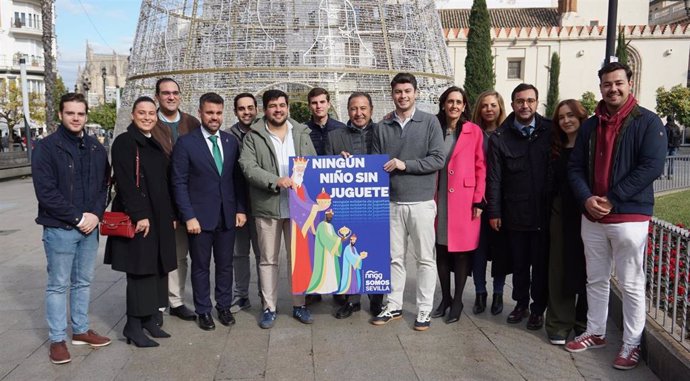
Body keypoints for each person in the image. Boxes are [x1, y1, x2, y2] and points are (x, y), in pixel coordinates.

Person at [566, 62, 666, 370]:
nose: (613, 89)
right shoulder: (590, 126)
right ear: (601, 88)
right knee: (595, 279)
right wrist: (586, 198)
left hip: (629, 217)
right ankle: (595, 331)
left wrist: (611, 199)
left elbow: (651, 167)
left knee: (631, 283)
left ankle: (631, 343)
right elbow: (575, 167)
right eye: (607, 84)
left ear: (629, 83)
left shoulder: (648, 123)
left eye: (618, 83)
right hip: (593, 217)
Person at [32, 93, 111, 364]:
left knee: (83, 282)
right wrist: (79, 218)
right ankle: (57, 339)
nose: (76, 118)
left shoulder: (96, 148)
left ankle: (80, 330)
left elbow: (104, 186)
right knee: (58, 285)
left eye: (80, 113)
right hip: (61, 228)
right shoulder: (46, 148)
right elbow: (46, 192)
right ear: (61, 115)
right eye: (70, 113)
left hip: (90, 227)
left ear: (86, 115)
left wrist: (96, 215)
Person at [370, 73, 445, 331]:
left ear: (416, 93)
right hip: (392, 202)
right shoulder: (383, 126)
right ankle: (393, 305)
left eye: (407, 91)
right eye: (398, 91)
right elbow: (375, 162)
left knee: (425, 258)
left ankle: (424, 309)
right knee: (394, 258)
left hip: (421, 202)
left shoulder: (430, 122)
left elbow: (438, 159)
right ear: (392, 94)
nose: (403, 96)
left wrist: (406, 165)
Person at [239, 89, 318, 329]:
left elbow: (314, 163)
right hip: (268, 206)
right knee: (268, 260)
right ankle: (269, 307)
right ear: (265, 109)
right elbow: (248, 166)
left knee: (299, 260)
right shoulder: (254, 135)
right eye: (273, 106)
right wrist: (275, 180)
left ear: (288, 107)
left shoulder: (302, 132)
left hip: (298, 208)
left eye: (282, 105)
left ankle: (299, 304)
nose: (278, 109)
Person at [105, 96, 177, 347]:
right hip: (141, 220)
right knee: (139, 272)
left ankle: (149, 319)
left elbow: (163, 183)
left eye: (151, 113)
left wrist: (171, 216)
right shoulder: (126, 142)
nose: (147, 117)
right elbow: (125, 182)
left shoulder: (153, 143)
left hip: (158, 219)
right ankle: (132, 325)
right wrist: (140, 215)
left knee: (156, 269)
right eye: (142, 113)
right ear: (133, 115)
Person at [172, 92, 247, 331]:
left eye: (217, 113)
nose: (214, 118)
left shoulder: (230, 141)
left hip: (227, 216)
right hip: (199, 219)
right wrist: (188, 216)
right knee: (201, 266)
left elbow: (237, 180)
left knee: (225, 265)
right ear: (200, 114)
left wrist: (240, 209)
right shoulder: (186, 143)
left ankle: (223, 306)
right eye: (209, 113)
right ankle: (203, 309)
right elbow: (179, 182)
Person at [486, 83, 552, 330]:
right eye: (520, 101)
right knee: (520, 264)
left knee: (541, 264)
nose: (525, 105)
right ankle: (521, 304)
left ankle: (538, 309)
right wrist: (494, 211)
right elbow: (495, 178)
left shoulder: (550, 130)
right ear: (512, 104)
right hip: (515, 212)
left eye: (530, 100)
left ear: (537, 103)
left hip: (544, 212)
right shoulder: (500, 137)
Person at [325, 91, 384, 318]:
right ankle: (352, 299)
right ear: (348, 110)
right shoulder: (335, 136)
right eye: (353, 109)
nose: (358, 113)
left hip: (376, 202)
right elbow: (326, 171)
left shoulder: (382, 131)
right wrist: (336, 163)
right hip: (347, 202)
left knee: (376, 249)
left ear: (371, 110)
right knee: (349, 248)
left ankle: (377, 298)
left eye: (363, 109)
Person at [431, 86, 485, 324]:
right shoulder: (434, 129)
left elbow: (481, 166)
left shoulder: (474, 131)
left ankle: (459, 300)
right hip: (438, 195)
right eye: (450, 101)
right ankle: (445, 298)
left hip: (464, 199)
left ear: (464, 106)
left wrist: (479, 198)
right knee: (441, 249)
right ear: (443, 104)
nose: (454, 106)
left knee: (462, 253)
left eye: (458, 102)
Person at [150, 77, 201, 324]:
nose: (171, 97)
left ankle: (176, 300)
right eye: (165, 93)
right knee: (162, 254)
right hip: (161, 200)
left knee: (182, 255)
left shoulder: (192, 123)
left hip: (191, 201)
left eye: (174, 93)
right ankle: (161, 300)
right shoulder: (150, 122)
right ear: (158, 96)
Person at [545, 99, 588, 345]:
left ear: (581, 116)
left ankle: (584, 323)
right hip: (561, 210)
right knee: (559, 267)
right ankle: (559, 323)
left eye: (571, 115)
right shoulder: (556, 147)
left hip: (587, 211)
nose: (566, 120)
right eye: (561, 117)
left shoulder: (591, 144)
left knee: (587, 267)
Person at [470, 90, 510, 316]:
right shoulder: (473, 133)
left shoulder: (507, 134)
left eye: (493, 105)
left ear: (500, 107)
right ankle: (479, 293)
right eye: (484, 105)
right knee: (479, 249)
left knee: (500, 250)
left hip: (500, 201)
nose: (489, 109)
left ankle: (497, 293)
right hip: (476, 201)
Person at [226, 93, 262, 313]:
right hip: (237, 205)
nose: (247, 112)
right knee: (239, 253)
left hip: (261, 203)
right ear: (235, 111)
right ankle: (241, 295)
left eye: (250, 107)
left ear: (257, 109)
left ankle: (264, 294)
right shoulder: (228, 137)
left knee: (263, 254)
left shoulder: (264, 133)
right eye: (242, 108)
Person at [306, 87, 346, 156]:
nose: (319, 106)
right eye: (314, 103)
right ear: (309, 106)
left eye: (322, 102)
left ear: (328, 104)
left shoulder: (341, 128)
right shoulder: (303, 131)